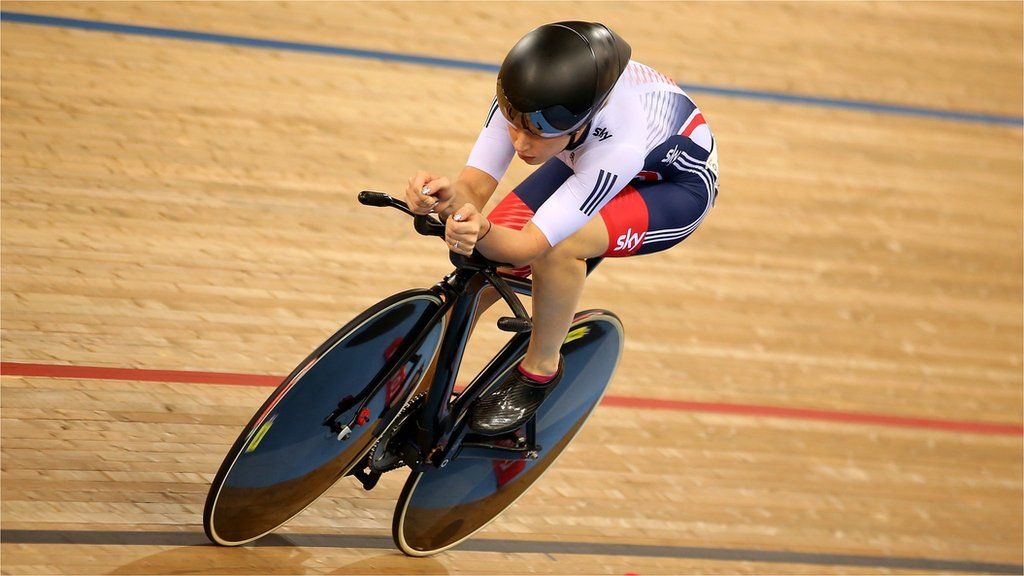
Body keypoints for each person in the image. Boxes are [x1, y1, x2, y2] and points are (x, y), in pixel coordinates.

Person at [404, 21, 718, 435]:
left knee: (559, 247)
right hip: (579, 154)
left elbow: (525, 247)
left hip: (670, 188)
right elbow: (474, 188)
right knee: (479, 273)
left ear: (584, 122)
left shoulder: (618, 147)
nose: (521, 144)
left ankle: (541, 368)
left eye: (536, 134)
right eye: (515, 126)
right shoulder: (524, 102)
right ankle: (414, 391)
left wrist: (479, 231)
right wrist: (445, 199)